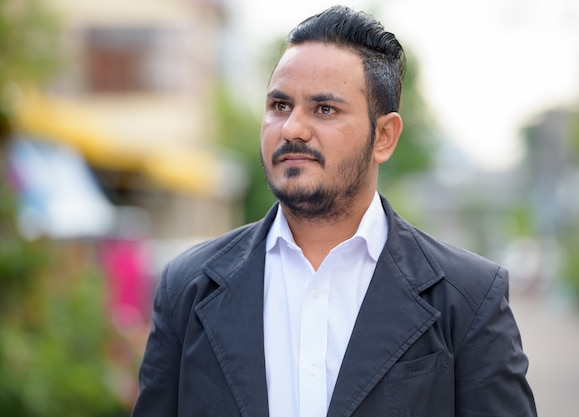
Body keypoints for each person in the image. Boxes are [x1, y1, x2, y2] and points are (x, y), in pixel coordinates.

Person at [131, 5, 537, 417]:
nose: (292, 128)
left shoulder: (466, 297)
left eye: (324, 109)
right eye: (279, 105)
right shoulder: (188, 287)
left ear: (384, 136)